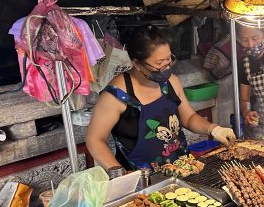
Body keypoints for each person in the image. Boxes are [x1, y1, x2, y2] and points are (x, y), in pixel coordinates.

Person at [86, 25, 236, 171]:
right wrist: (119, 174)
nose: (166, 67)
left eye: (169, 60)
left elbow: (189, 117)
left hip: (181, 167)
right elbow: (95, 140)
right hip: (142, 178)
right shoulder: (116, 96)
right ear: (137, 64)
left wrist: (213, 129)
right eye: (159, 64)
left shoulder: (171, 82)